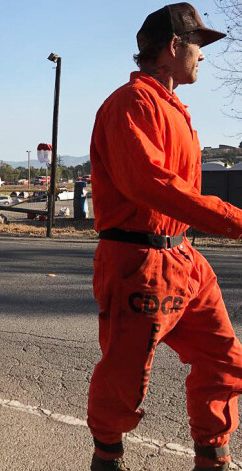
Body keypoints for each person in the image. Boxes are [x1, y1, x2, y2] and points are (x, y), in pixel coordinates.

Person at [87, 4, 242, 470]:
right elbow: (151, 184)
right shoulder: (131, 104)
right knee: (125, 376)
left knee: (224, 357)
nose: (202, 55)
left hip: (184, 257)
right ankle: (106, 455)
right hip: (139, 262)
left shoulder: (173, 107)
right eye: (198, 45)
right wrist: (235, 220)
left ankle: (211, 458)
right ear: (173, 47)